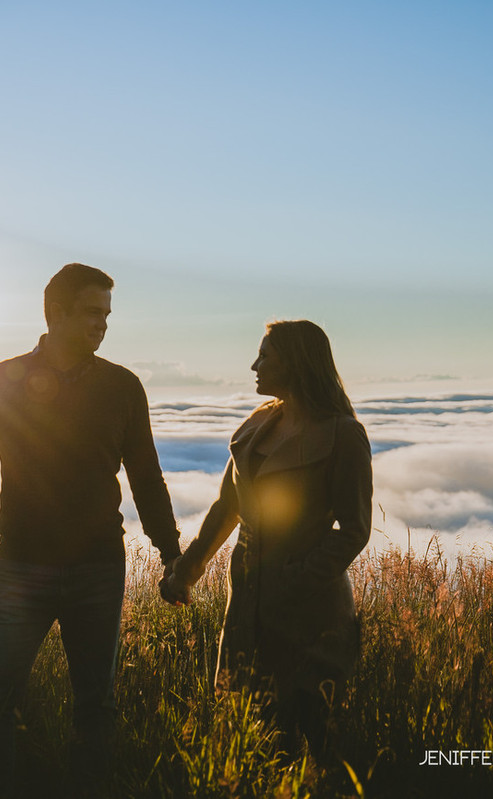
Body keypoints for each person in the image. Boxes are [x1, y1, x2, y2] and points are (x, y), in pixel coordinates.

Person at [0, 263, 183, 795]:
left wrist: (172, 553)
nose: (102, 324)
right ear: (54, 313)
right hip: (20, 567)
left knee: (95, 706)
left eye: (106, 314)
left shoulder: (122, 387)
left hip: (99, 568)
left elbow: (146, 474)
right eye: (91, 313)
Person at [161, 319, 372, 762]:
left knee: (307, 733)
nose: (254, 365)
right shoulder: (258, 424)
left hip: (311, 612)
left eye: (265, 356)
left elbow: (354, 529)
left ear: (294, 364)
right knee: (245, 728)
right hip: (247, 602)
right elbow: (226, 508)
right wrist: (186, 571)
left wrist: (297, 579)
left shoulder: (342, 434)